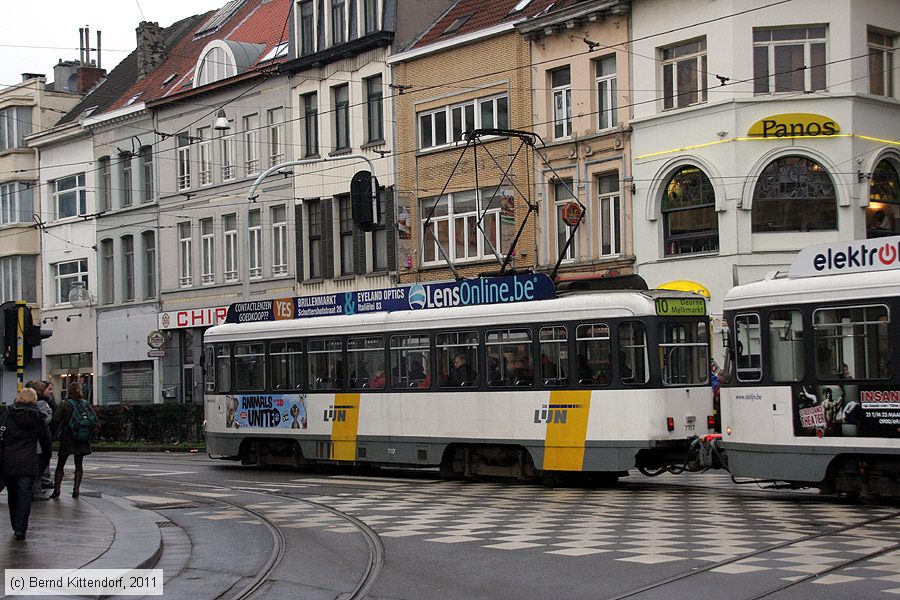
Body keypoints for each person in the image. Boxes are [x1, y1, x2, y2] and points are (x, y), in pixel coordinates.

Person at [1, 387, 52, 540]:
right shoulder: (38, 418)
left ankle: (15, 524)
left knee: (13, 495)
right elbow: (46, 443)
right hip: (29, 461)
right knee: (24, 496)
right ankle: (21, 528)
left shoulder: (7, 415)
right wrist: (42, 464)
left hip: (9, 461)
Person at [50, 383, 96, 499]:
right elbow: (93, 419)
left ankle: (57, 490)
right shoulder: (85, 403)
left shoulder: (64, 404)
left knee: (61, 464)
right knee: (79, 465)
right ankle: (76, 490)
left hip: (68, 436)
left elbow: (56, 418)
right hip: (82, 437)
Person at [25, 381, 53, 500]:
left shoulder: (15, 408)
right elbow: (45, 422)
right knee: (36, 470)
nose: (51, 392)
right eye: (49, 389)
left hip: (21, 445)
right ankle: (35, 491)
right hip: (36, 445)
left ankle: (32, 490)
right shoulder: (42, 406)